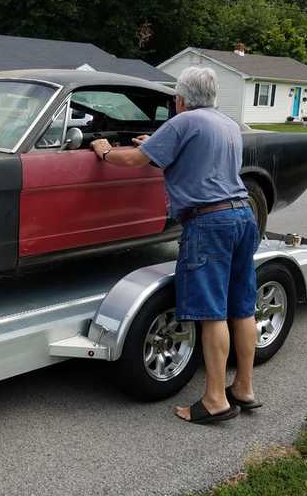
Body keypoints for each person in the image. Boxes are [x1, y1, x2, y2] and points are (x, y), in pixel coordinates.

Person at [90, 66, 261, 424]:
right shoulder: (227, 124)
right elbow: (196, 157)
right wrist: (154, 146)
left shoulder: (183, 122)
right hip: (243, 215)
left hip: (209, 221)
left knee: (212, 313)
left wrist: (105, 152)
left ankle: (215, 400)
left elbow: (136, 161)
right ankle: (243, 388)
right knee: (242, 306)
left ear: (181, 98)